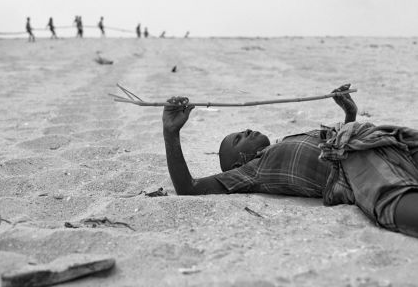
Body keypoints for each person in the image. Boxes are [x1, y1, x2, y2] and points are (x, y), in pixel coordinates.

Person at [162, 85, 418, 238]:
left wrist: (349, 114)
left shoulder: (282, 142)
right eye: (239, 138)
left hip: (377, 142)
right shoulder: (255, 170)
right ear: (239, 162)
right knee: (392, 197)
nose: (247, 130)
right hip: (353, 167)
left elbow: (336, 143)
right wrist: (171, 133)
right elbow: (188, 188)